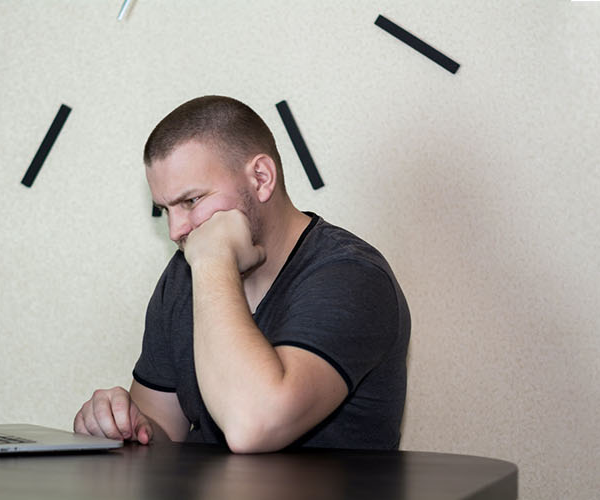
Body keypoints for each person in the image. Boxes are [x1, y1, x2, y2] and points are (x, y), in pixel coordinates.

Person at [73, 96, 410, 453]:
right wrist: (119, 423)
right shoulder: (184, 274)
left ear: (261, 178)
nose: (176, 230)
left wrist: (214, 259)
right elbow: (159, 431)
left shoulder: (352, 276)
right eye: (165, 209)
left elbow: (253, 425)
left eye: (191, 201)